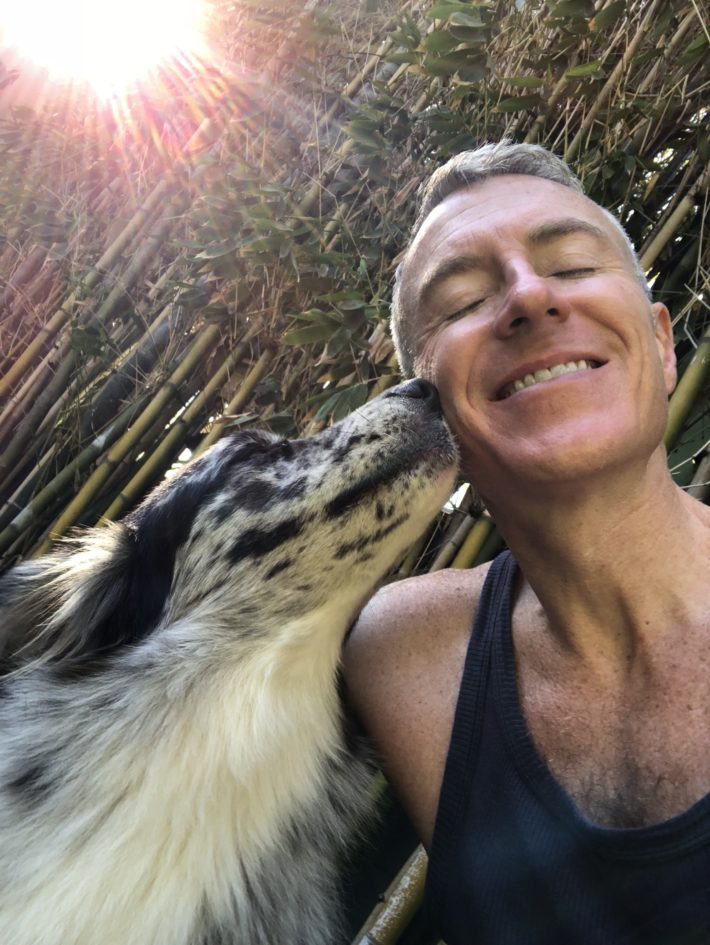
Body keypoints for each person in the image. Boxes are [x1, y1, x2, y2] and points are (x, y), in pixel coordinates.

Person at [343, 142, 710, 944]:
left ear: (662, 344)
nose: (530, 295)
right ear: (429, 423)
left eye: (572, 266)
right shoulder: (403, 654)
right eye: (463, 299)